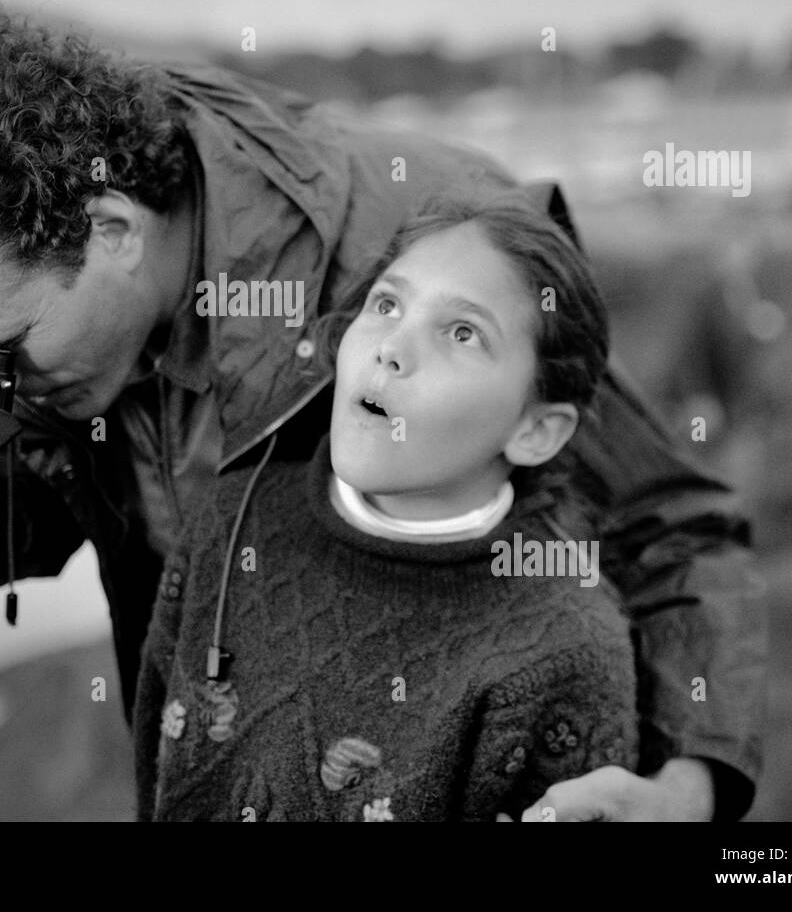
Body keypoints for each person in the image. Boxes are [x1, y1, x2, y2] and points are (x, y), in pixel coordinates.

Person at [0, 7, 766, 820]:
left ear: (110, 231)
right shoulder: (43, 263)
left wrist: (689, 788)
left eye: (4, 350)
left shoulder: (439, 248)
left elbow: (672, 529)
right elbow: (43, 490)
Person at [134, 195, 637, 821]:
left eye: (462, 332)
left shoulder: (567, 645)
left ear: (535, 430)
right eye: (387, 303)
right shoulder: (229, 522)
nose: (391, 347)